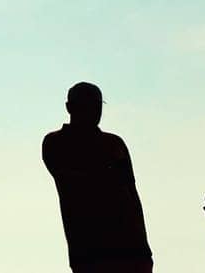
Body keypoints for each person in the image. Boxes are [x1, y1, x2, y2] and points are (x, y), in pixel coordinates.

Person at [42, 82, 153, 273]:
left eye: (97, 105)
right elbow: (79, 183)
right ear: (69, 108)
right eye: (86, 105)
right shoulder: (57, 143)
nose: (94, 111)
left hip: (131, 251)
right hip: (90, 252)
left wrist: (144, 249)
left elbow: (132, 195)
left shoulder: (114, 143)